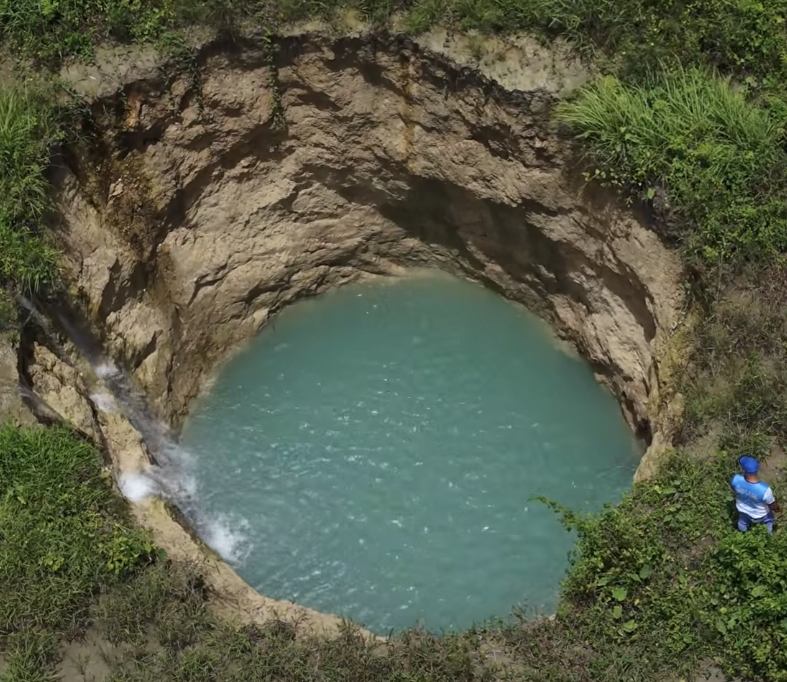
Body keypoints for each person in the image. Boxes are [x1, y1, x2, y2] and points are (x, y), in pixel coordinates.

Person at [731, 456, 780, 534]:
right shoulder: (764, 489)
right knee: (769, 520)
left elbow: (734, 491)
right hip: (760, 515)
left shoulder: (736, 479)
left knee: (742, 522)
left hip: (742, 509)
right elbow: (772, 505)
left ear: (744, 469)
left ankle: (742, 533)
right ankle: (769, 536)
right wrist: (777, 509)